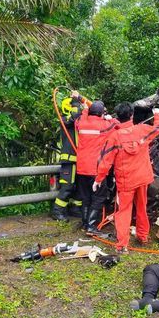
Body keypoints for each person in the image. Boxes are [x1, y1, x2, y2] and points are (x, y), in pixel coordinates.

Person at [95, 103, 159, 252]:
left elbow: (105, 160)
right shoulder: (141, 130)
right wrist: (157, 114)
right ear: (132, 115)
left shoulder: (114, 137)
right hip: (143, 178)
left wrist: (98, 179)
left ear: (118, 117)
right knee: (141, 207)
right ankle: (142, 236)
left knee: (124, 211)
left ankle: (122, 245)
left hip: (126, 181)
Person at [75, 100, 119, 235]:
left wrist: (85, 106)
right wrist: (109, 117)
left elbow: (83, 113)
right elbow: (118, 124)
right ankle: (91, 226)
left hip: (81, 168)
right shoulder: (104, 125)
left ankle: (85, 222)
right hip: (96, 169)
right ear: (101, 113)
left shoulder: (81, 122)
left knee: (85, 197)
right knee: (98, 197)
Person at [51, 90, 84, 221]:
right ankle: (57, 211)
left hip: (79, 159)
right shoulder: (65, 120)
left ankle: (75, 208)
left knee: (78, 187)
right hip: (69, 160)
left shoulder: (78, 120)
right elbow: (74, 116)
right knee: (68, 186)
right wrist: (76, 101)